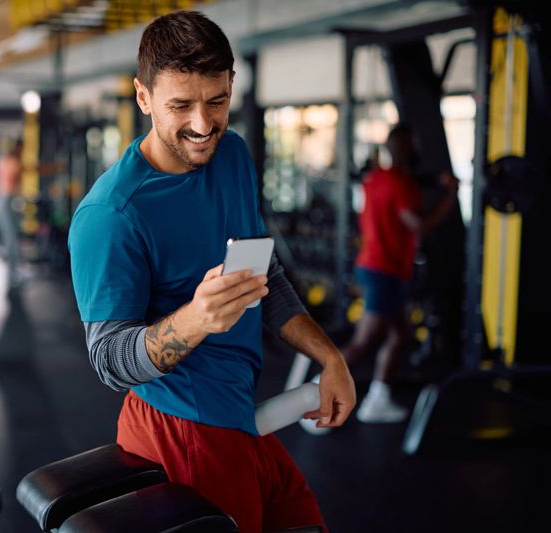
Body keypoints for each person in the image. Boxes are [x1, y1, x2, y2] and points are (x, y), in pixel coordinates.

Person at [68, 11, 355, 532]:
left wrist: (329, 356)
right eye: (180, 105)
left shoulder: (234, 156)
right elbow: (108, 361)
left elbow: (264, 278)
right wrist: (195, 320)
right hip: (179, 429)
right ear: (143, 97)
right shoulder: (110, 215)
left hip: (238, 416)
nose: (203, 125)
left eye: (216, 101)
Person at [341, 124, 459, 423]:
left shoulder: (374, 179)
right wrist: (451, 195)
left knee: (399, 334)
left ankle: (377, 399)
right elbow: (419, 225)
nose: (418, 149)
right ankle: (314, 394)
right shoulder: (402, 184)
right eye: (415, 143)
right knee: (365, 339)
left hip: (373, 265)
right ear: (406, 148)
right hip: (384, 268)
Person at [0, 146, 23, 286]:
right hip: (6, 199)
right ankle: (13, 273)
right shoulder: (14, 163)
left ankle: (12, 270)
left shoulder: (4, 161)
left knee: (8, 235)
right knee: (11, 236)